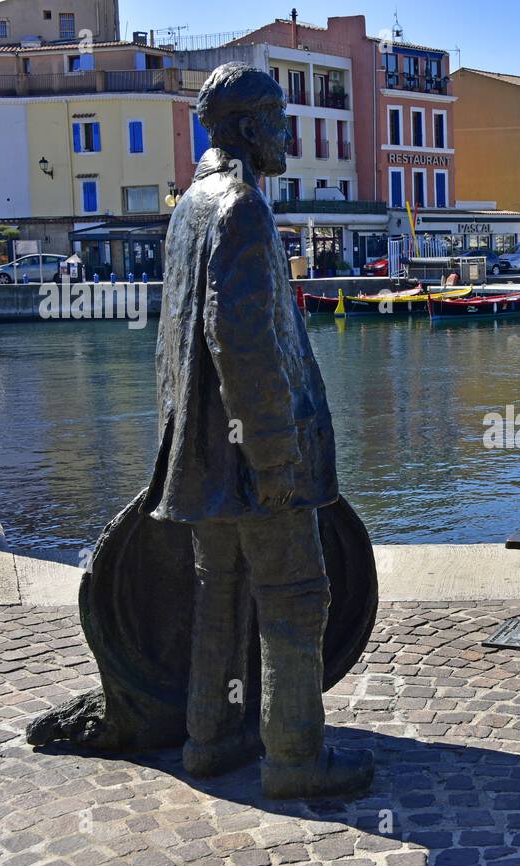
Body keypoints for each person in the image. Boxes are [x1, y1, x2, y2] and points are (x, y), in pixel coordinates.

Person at [151, 62, 373, 798]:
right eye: (279, 120)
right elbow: (239, 340)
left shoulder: (189, 206)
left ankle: (210, 736)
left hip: (200, 455)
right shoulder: (242, 207)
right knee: (296, 594)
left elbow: (176, 340)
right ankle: (295, 756)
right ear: (249, 126)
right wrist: (275, 456)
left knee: (219, 589)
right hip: (251, 457)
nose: (288, 135)